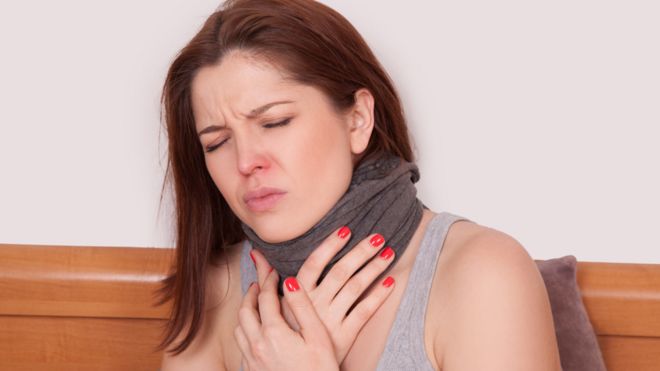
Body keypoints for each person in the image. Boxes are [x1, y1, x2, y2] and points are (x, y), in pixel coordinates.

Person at [156, 0, 562, 370]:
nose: (245, 162)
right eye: (217, 142)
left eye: (274, 122)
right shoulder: (218, 290)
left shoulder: (483, 275)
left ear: (357, 120)